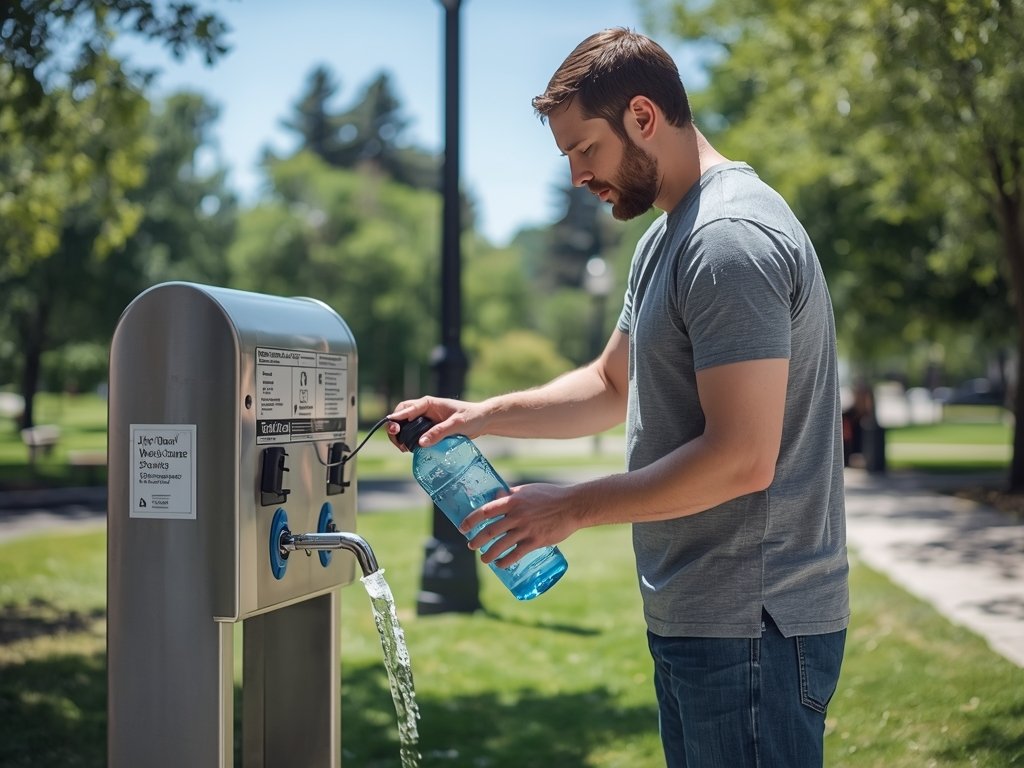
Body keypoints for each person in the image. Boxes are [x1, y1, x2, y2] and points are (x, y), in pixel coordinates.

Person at [388, 27, 848, 768]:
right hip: (702, 618)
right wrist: (476, 415)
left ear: (643, 116)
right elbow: (610, 385)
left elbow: (742, 458)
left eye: (584, 150)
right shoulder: (669, 237)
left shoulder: (728, 240)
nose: (576, 175)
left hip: (751, 626)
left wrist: (570, 507)